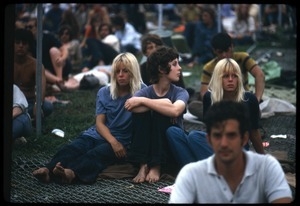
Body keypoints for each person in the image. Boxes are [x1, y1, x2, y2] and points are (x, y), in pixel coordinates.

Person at [32, 52, 146, 184]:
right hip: (98, 134)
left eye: (125, 71)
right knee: (74, 148)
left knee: (96, 154)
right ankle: (47, 170)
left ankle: (71, 174)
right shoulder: (104, 92)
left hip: (123, 140)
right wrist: (113, 142)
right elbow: (100, 123)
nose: (120, 75)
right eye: (117, 71)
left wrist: (117, 144)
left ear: (133, 72)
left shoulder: (142, 92)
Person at [169, 100, 293, 203]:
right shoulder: (189, 174)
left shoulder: (267, 168)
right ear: (209, 139)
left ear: (244, 138)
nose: (224, 144)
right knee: (175, 132)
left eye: (231, 136)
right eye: (217, 136)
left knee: (193, 136)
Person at [167, 58, 265, 169]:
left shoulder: (249, 99)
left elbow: (254, 132)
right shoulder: (209, 98)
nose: (230, 80)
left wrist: (263, 160)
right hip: (216, 147)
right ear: (218, 79)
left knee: (194, 136)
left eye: (234, 76)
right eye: (225, 76)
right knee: (173, 132)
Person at [124, 46, 189, 183]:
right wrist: (161, 103)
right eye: (174, 64)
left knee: (160, 114)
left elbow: (175, 110)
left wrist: (144, 101)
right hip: (148, 142)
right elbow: (131, 106)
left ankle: (156, 166)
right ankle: (143, 165)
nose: (179, 68)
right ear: (161, 69)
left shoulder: (180, 92)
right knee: (146, 114)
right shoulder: (146, 92)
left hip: (169, 145)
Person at [188, 32, 265, 120]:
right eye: (220, 52)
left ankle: (228, 117)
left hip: (241, 100)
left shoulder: (242, 58)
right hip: (220, 102)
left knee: (254, 111)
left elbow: (260, 75)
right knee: (193, 106)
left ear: (232, 47)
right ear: (214, 51)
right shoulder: (209, 67)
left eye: (235, 75)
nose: (224, 55)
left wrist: (256, 99)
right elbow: (204, 93)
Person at [14, 28, 54, 121]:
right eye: (17, 42)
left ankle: (26, 116)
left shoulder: (36, 65)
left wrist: (37, 104)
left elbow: (41, 88)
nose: (20, 46)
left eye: (24, 43)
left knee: (47, 107)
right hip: (13, 103)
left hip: (30, 102)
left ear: (29, 46)